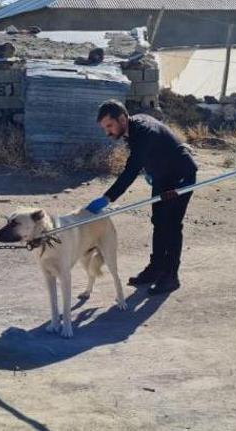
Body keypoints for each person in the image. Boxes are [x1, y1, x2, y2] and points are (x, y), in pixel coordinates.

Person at [86, 100, 197, 294]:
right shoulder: (132, 129)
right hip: (163, 177)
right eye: (105, 128)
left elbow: (130, 170)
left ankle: (171, 276)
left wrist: (107, 198)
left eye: (110, 126)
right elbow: (150, 154)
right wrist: (152, 171)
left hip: (181, 176)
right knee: (159, 222)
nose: (108, 133)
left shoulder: (143, 132)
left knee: (171, 226)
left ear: (122, 118)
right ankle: (156, 269)